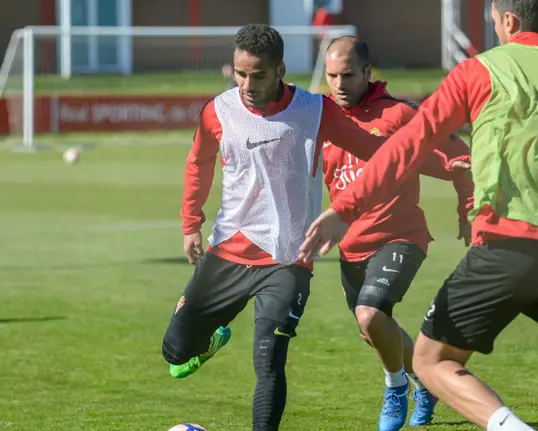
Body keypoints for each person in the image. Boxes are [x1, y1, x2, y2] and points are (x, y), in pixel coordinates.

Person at [299, 0, 538, 430]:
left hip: (508, 244)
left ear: (507, 20)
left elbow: (409, 146)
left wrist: (344, 207)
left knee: (432, 361)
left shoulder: (478, 71)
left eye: (494, 18)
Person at [161, 24, 468, 431]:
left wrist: (447, 168)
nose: (247, 85)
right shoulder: (217, 111)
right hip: (228, 252)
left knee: (270, 361)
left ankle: (392, 385)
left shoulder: (314, 111)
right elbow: (198, 162)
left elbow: (381, 154)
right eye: (240, 74)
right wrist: (190, 224)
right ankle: (211, 338)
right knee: (175, 353)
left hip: (289, 259)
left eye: (258, 75)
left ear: (280, 70)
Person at [322, 36, 473, 430]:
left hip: (400, 236)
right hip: (350, 246)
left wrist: (467, 207)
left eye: (348, 75)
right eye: (332, 76)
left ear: (368, 73)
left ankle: (395, 387)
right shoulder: (323, 120)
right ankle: (427, 381)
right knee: (374, 329)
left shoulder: (400, 114)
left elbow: (459, 157)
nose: (339, 84)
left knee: (371, 315)